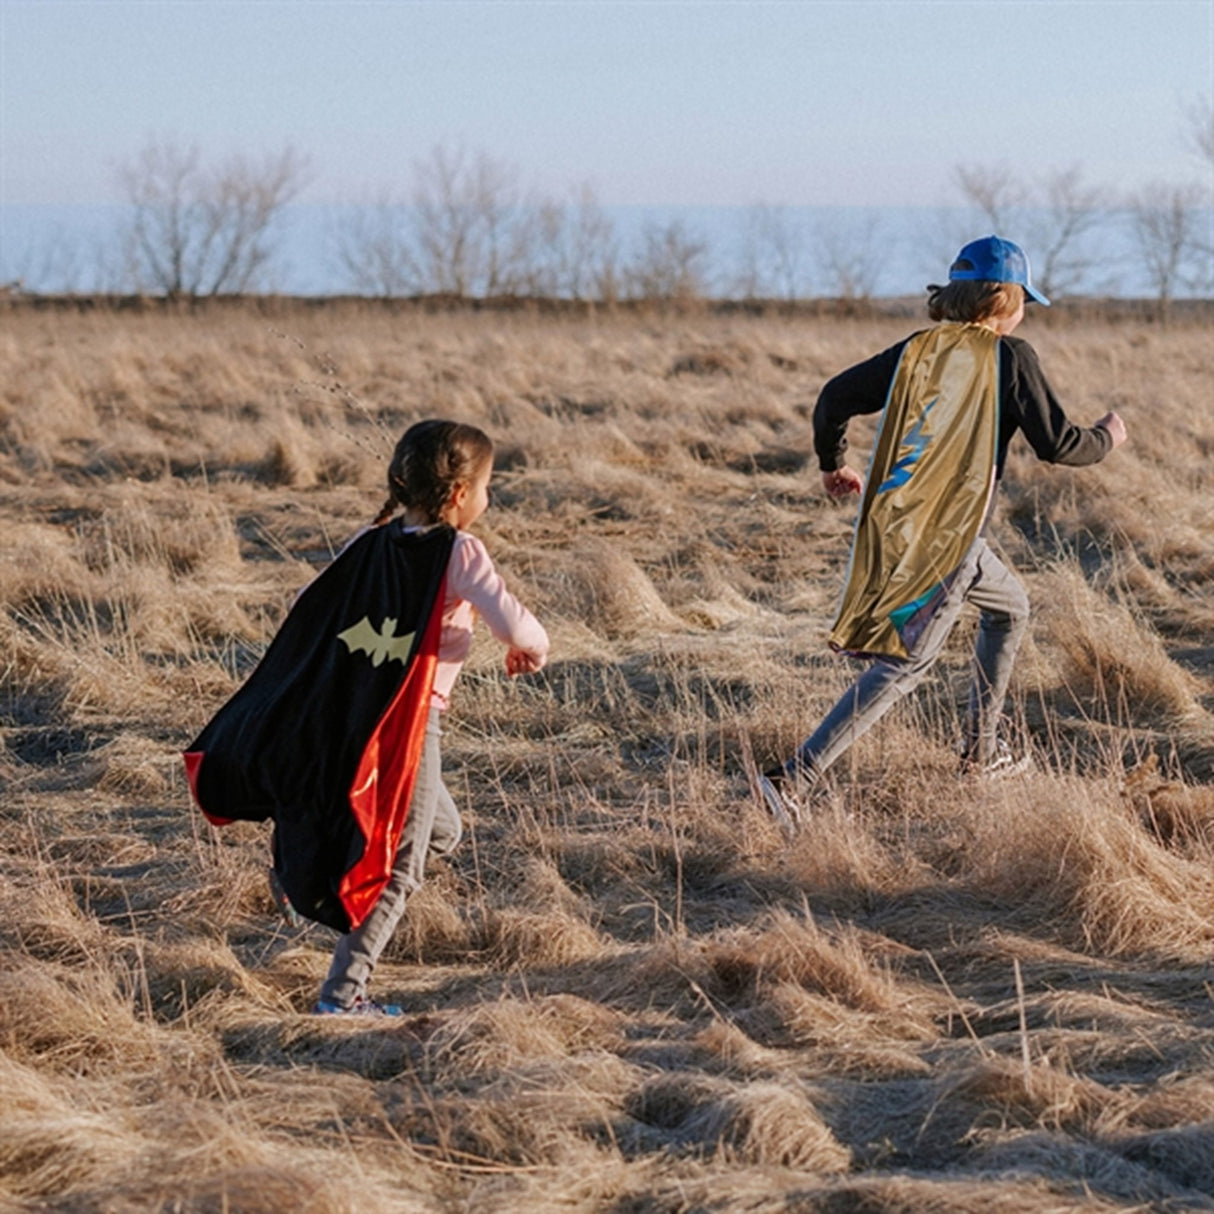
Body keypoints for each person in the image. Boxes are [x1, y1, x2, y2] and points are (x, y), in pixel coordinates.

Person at [758, 236, 1127, 829]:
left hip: (905, 523)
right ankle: (791, 778)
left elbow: (833, 398)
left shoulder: (916, 350)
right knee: (905, 665)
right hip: (946, 538)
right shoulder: (1011, 358)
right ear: (1004, 300)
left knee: (1011, 609)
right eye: (1023, 300)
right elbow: (1058, 444)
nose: (1024, 312)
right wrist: (1108, 435)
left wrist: (832, 463)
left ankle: (981, 753)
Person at [185, 420, 549, 1016]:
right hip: (408, 726)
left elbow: (307, 604)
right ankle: (342, 996)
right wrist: (533, 648)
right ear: (460, 494)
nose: (488, 498)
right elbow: (514, 624)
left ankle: (299, 872)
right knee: (401, 867)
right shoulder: (460, 551)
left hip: (353, 713)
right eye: (487, 487)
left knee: (443, 832)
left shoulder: (371, 540)